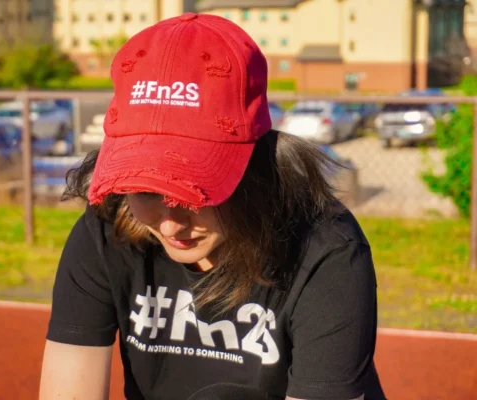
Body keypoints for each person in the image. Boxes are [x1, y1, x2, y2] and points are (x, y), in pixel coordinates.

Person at [39, 12, 387, 400]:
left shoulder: (324, 249)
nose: (170, 226)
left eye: (194, 193)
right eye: (145, 190)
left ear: (253, 165)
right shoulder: (106, 229)